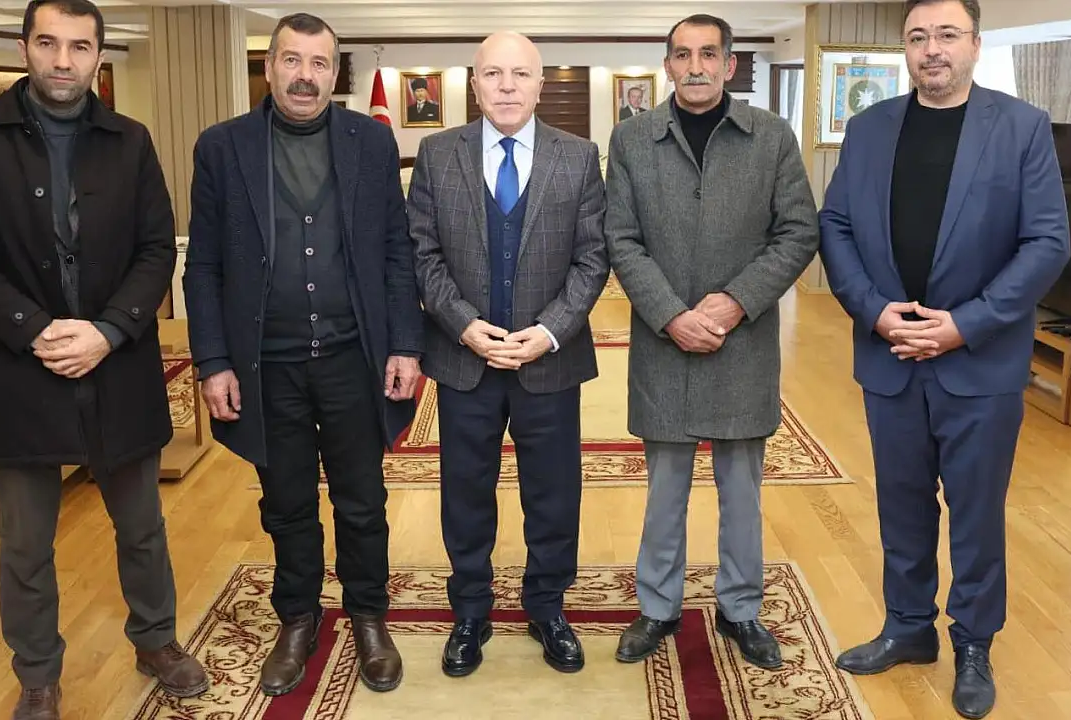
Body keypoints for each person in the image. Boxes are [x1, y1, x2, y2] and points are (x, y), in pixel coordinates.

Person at [0, 1, 207, 717]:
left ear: (98, 56)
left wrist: (109, 331)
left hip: (118, 363)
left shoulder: (130, 139)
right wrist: (35, 329)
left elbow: (156, 249)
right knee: (26, 541)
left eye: (79, 46)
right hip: (21, 366)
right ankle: (38, 676)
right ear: (24, 47)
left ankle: (156, 639)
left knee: (141, 525)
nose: (63, 60)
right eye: (48, 43)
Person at [817, 1, 1070, 717]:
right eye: (918, 36)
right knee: (899, 502)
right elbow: (835, 224)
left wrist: (966, 325)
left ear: (976, 45)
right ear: (905, 48)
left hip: (979, 362)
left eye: (948, 35)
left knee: (975, 511)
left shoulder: (1021, 128)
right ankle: (908, 628)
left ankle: (974, 643)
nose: (932, 49)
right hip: (891, 352)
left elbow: (1047, 242)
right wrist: (873, 310)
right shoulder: (869, 128)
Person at [183, 12, 423, 696]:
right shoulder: (222, 147)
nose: (305, 76)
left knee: (362, 500)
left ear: (335, 72)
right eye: (292, 60)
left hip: (352, 357)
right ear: (269, 67)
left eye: (320, 63)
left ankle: (368, 615)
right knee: (286, 502)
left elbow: (396, 250)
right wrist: (213, 360)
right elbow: (203, 265)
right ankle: (297, 619)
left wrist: (406, 342)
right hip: (267, 363)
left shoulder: (370, 143)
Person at [605, 14, 819, 670]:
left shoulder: (771, 137)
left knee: (742, 491)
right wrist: (671, 314)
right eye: (682, 55)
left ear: (729, 65)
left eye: (708, 54)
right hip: (664, 345)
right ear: (667, 65)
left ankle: (741, 610)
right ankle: (657, 607)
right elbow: (620, 238)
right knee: (664, 490)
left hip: (742, 345)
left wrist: (735, 302)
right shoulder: (632, 139)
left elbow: (798, 231)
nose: (694, 66)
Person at [407, 31, 608, 677]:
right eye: (493, 74)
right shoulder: (437, 155)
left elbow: (592, 259)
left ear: (540, 84)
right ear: (475, 84)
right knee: (466, 494)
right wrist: (463, 325)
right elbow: (422, 254)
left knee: (554, 495)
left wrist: (549, 331)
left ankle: (547, 607)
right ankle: (471, 611)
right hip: (465, 361)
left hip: (549, 360)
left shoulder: (579, 157)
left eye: (520, 74)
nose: (507, 86)